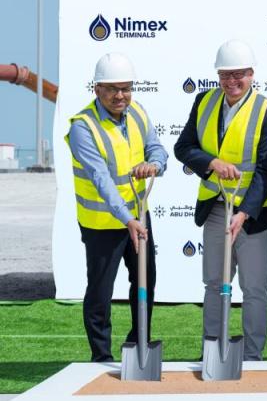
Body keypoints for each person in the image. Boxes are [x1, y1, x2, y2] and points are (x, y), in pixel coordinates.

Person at [174, 39, 267, 361]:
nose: (231, 81)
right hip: (216, 207)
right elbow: (184, 147)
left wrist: (245, 213)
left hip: (253, 214)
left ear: (251, 75)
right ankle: (212, 350)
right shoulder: (204, 101)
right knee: (214, 283)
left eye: (239, 75)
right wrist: (212, 163)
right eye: (225, 75)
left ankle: (251, 355)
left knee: (254, 288)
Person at [66, 52, 168, 362]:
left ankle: (138, 344)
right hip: (102, 223)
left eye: (125, 88)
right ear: (97, 89)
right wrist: (127, 218)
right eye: (112, 89)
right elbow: (101, 179)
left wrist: (154, 164)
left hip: (138, 216)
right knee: (100, 290)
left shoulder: (137, 113)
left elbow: (157, 148)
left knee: (145, 280)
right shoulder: (83, 127)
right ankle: (101, 356)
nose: (120, 95)